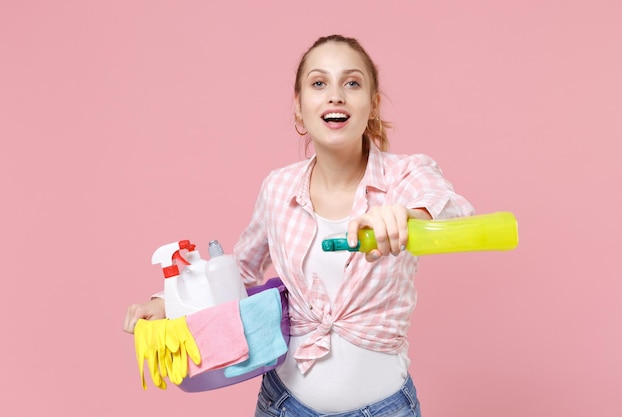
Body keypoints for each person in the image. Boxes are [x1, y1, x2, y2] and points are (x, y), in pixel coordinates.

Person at [124, 34, 474, 416]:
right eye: (319, 83)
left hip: (386, 408)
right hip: (284, 405)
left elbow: (453, 211)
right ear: (299, 107)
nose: (335, 95)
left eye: (352, 83)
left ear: (372, 106)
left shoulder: (407, 175)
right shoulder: (278, 188)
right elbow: (240, 269)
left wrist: (408, 217)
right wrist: (168, 302)